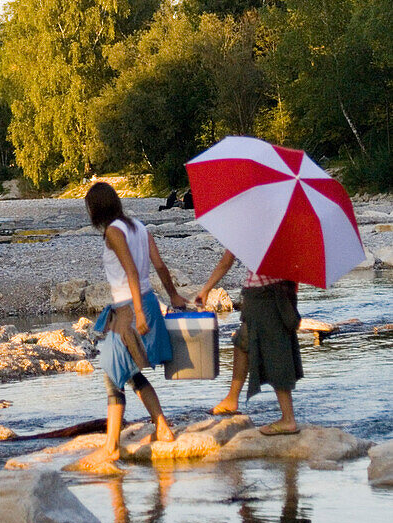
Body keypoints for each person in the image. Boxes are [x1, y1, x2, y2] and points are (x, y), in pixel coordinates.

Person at [82, 181, 188, 466]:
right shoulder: (139, 227)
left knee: (111, 377)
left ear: (96, 208)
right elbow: (160, 266)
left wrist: (139, 314)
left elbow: (130, 269)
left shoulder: (114, 231)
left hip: (130, 309)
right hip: (145, 302)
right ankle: (162, 427)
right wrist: (174, 294)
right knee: (128, 372)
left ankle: (112, 447)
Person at [195, 249, 302, 435]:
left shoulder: (256, 229)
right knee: (242, 343)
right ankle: (231, 399)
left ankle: (288, 418)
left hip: (264, 298)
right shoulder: (283, 233)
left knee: (276, 353)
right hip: (274, 294)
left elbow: (226, 261)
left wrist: (206, 289)